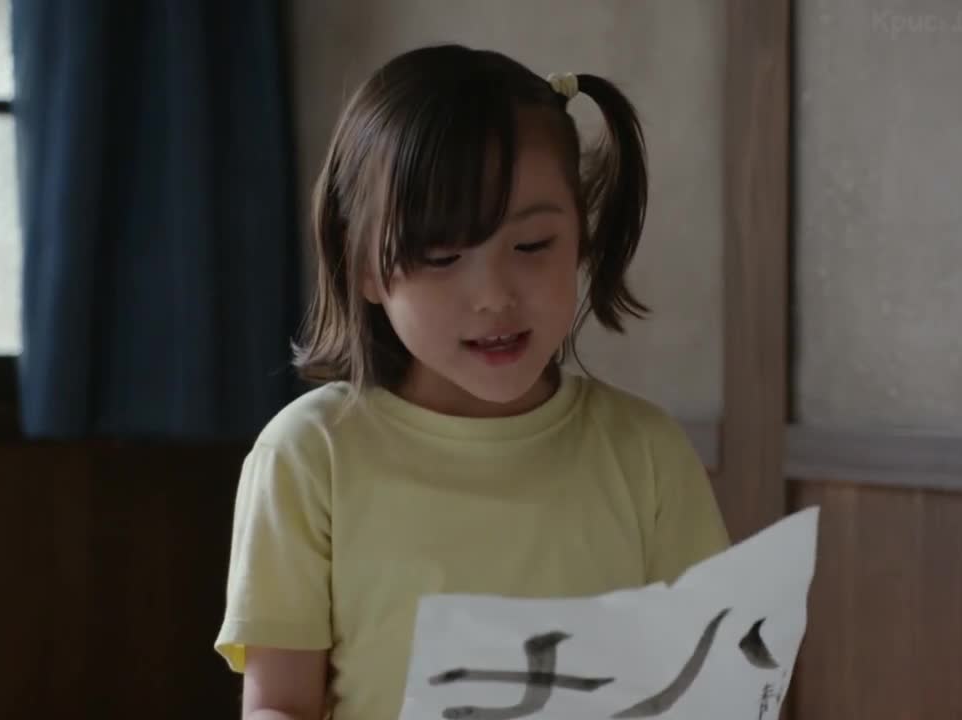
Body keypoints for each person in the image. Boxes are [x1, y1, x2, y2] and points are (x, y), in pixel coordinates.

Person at [213, 43, 729, 720]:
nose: (494, 296)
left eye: (531, 246)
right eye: (442, 256)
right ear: (362, 264)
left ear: (580, 236)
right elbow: (279, 704)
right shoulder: (311, 455)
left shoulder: (647, 455)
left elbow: (711, 688)